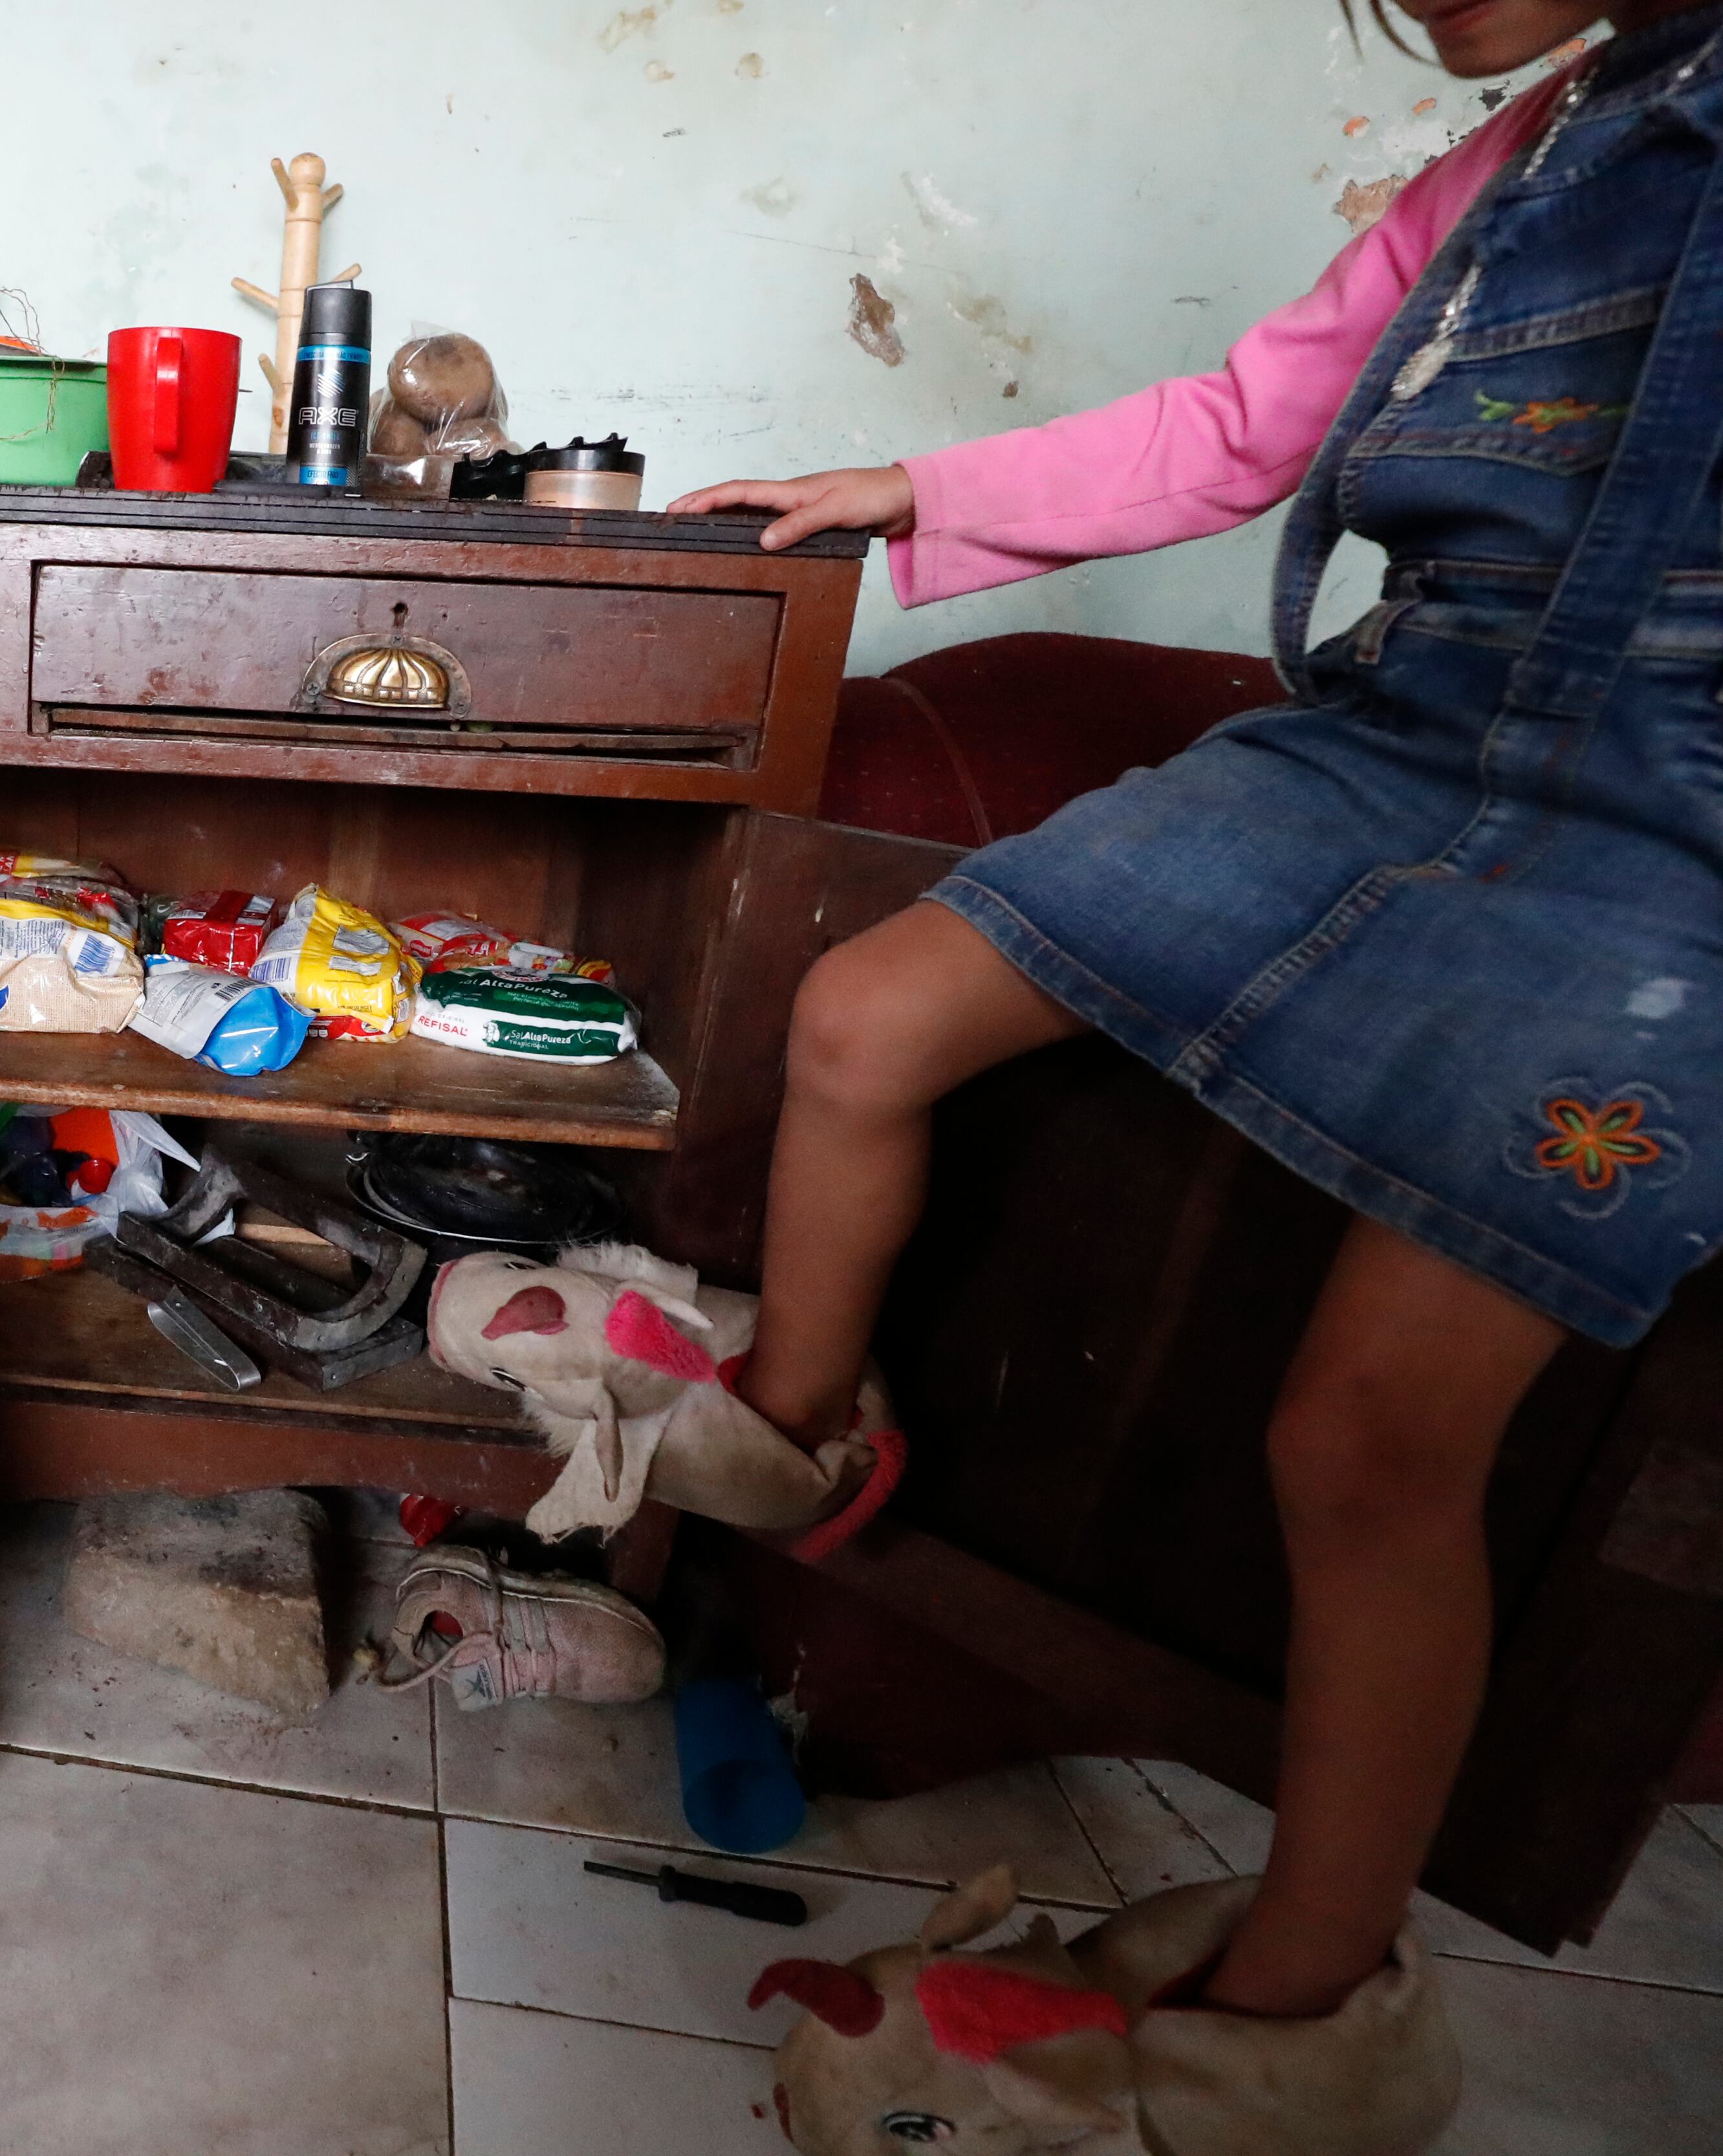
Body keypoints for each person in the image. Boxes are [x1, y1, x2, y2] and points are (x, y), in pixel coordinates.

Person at [668, 0, 1722, 2025]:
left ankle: (1300, 2006)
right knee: (867, 1017)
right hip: (1407, 731)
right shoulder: (1518, 164)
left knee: (1366, 1444)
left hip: (1672, 850)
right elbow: (1252, 420)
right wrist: (900, 486)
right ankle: (788, 1439)